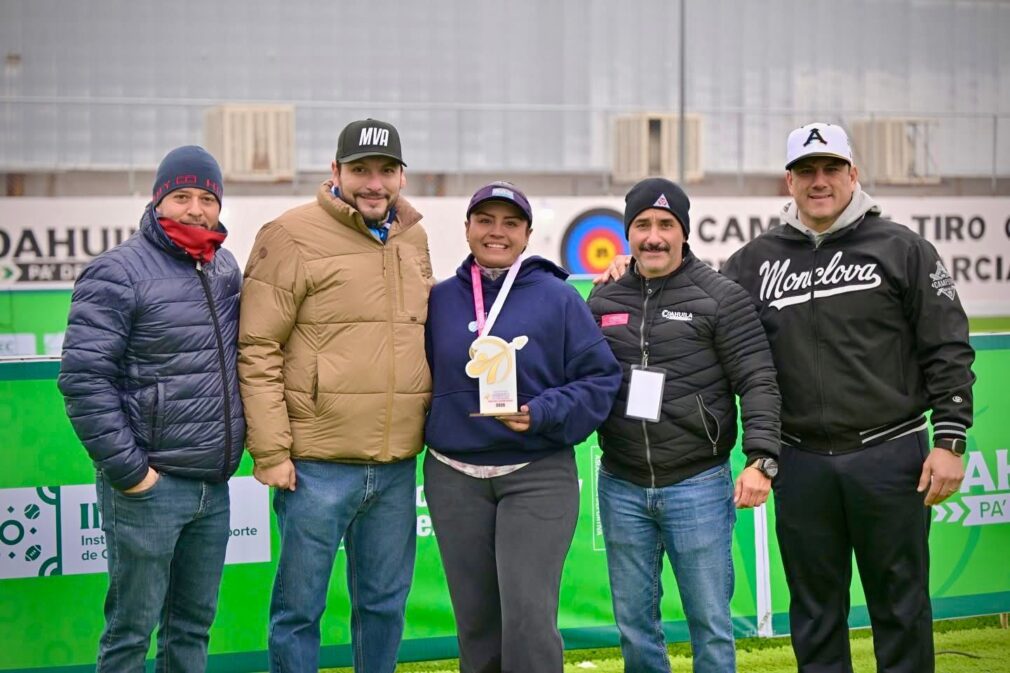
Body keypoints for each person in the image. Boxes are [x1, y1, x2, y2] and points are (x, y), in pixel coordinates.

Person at [720, 122, 976, 673]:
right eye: (806, 171)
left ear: (853, 174)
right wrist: (631, 270)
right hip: (801, 461)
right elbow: (699, 304)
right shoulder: (752, 263)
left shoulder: (903, 248)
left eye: (831, 168)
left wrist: (951, 439)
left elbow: (948, 346)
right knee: (814, 613)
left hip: (892, 453)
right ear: (789, 181)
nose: (820, 181)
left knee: (901, 605)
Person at [237, 118, 432, 673]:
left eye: (386, 170)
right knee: (299, 611)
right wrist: (271, 452)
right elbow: (257, 348)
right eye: (360, 169)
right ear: (335, 171)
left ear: (401, 175)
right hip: (316, 467)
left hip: (396, 465)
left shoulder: (413, 237)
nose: (374, 183)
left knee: (384, 607)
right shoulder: (289, 234)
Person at [422, 181, 622, 673]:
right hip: (453, 476)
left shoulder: (559, 298)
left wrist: (543, 411)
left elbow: (601, 378)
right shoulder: (439, 300)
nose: (497, 232)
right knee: (475, 623)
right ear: (467, 228)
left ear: (528, 235)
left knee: (528, 621)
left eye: (510, 223)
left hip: (536, 473)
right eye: (485, 220)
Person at [57, 145, 244, 672]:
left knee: (192, 629)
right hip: (149, 487)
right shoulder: (116, 271)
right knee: (130, 633)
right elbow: (84, 379)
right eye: (181, 197)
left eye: (207, 198)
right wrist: (132, 474)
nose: (195, 210)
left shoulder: (224, 266)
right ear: (158, 200)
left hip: (212, 485)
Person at [587, 177, 781, 673]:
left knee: (710, 623)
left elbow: (758, 378)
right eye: (642, 225)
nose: (654, 237)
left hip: (697, 483)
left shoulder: (722, 297)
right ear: (628, 233)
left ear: (684, 231)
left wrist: (761, 458)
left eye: (666, 224)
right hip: (621, 484)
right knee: (634, 625)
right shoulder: (603, 298)